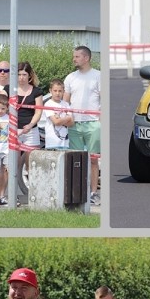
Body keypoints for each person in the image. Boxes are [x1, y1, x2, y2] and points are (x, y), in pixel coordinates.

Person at [64, 45, 101, 205]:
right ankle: (76, 192)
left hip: (93, 124)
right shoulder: (70, 78)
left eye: (77, 56)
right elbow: (65, 102)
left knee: (93, 160)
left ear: (86, 58)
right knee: (75, 160)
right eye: (74, 56)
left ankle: (93, 193)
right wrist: (67, 117)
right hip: (75, 125)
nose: (74, 59)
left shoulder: (98, 76)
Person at [42, 78, 74, 150]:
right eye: (55, 91)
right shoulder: (48, 104)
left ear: (63, 92)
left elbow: (71, 123)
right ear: (50, 91)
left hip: (65, 143)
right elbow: (56, 122)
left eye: (60, 91)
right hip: (52, 143)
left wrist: (60, 119)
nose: (57, 93)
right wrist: (67, 118)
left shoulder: (66, 104)